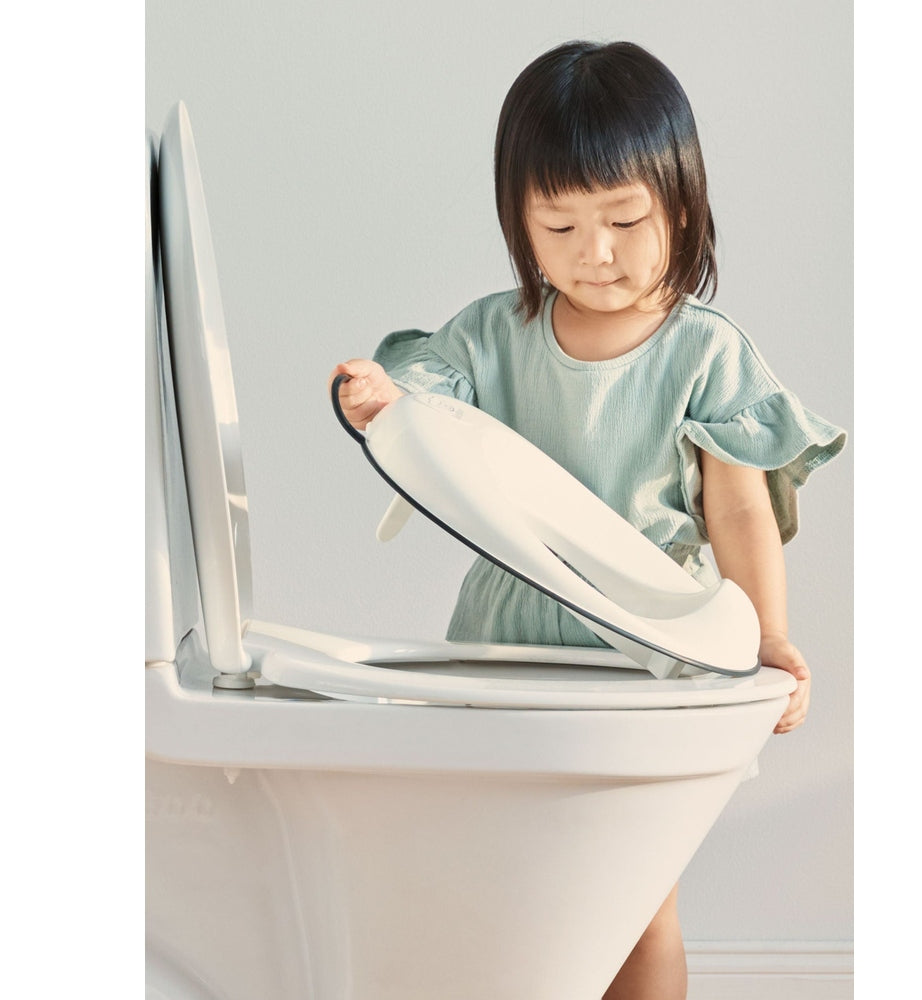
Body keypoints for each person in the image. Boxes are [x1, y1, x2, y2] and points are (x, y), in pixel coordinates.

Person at [330, 39, 846, 1000]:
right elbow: (416, 394)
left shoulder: (704, 353)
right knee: (512, 885)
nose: (594, 252)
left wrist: (769, 635)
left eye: (623, 219)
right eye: (558, 226)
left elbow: (739, 506)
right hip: (510, 643)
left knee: (635, 896)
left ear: (681, 204)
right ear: (517, 224)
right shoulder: (495, 333)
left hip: (649, 648)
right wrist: (372, 391)